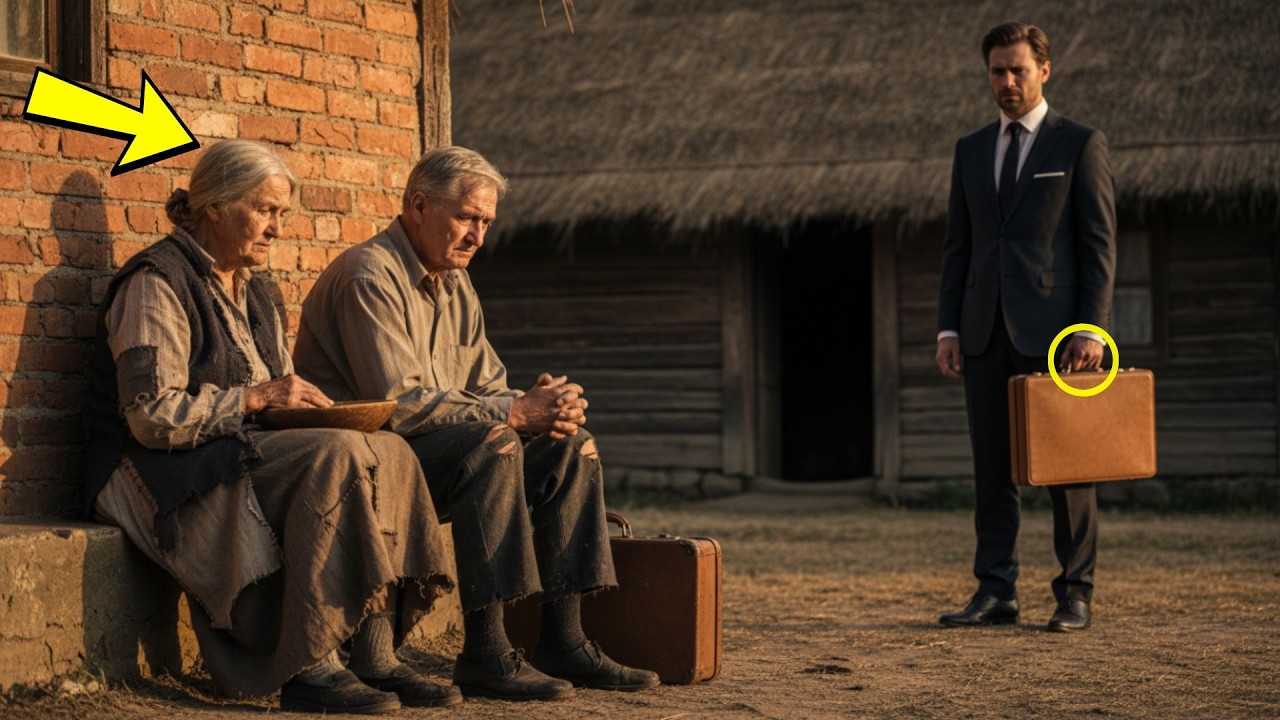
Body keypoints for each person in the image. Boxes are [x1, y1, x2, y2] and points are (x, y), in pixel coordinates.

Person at [81, 139, 460, 714]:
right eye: (264, 210)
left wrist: (312, 409)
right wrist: (258, 398)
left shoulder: (257, 289)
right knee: (337, 457)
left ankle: (376, 654)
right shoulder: (156, 282)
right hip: (153, 467)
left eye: (283, 213)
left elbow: (274, 398)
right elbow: (150, 416)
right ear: (213, 207)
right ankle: (310, 662)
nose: (277, 227)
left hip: (236, 445)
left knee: (386, 446)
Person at [293, 146, 660, 700]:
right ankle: (486, 652)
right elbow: (399, 403)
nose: (478, 237)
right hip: (376, 460)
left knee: (571, 445)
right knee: (494, 442)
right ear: (418, 206)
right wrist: (511, 413)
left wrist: (542, 406)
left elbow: (488, 388)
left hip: (441, 451)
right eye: (467, 217)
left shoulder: (454, 282)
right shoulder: (369, 274)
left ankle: (564, 640)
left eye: (486, 222)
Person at [935, 22, 1116, 633]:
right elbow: (958, 248)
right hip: (982, 332)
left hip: (1058, 342)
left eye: (1017, 69)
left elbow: (1098, 247)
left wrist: (1092, 330)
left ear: (1045, 70)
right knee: (992, 469)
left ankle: (1075, 594)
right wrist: (947, 330)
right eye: (996, 71)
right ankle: (996, 592)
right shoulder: (970, 148)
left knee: (1068, 471)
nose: (1006, 82)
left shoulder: (1079, 145)